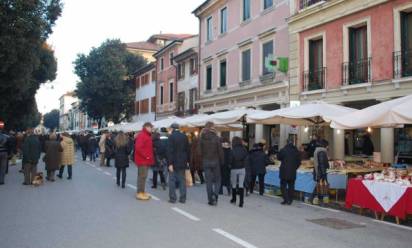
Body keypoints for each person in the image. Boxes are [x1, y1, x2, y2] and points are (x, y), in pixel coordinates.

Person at [199, 121, 223, 206]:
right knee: (218, 180)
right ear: (212, 127)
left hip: (206, 161)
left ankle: (210, 199)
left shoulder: (202, 137)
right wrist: (222, 161)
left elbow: (199, 152)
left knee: (208, 182)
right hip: (215, 161)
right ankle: (215, 195)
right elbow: (220, 151)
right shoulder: (216, 137)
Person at [167, 123, 190, 204]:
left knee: (172, 180)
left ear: (172, 128)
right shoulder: (184, 136)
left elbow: (170, 151)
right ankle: (183, 198)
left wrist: (169, 164)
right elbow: (188, 150)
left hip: (173, 162)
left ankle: (173, 198)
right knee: (182, 180)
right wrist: (188, 161)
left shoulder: (171, 137)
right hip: (183, 162)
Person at [134, 122, 155, 201]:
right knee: (142, 176)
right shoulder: (143, 135)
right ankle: (139, 193)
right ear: (146, 127)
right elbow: (138, 147)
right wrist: (146, 156)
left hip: (145, 160)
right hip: (142, 160)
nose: (152, 129)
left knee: (143, 176)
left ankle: (142, 192)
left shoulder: (146, 135)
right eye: (151, 127)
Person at [277, 139, 301, 205]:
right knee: (291, 186)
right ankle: (290, 200)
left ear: (286, 143)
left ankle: (286, 199)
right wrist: (294, 168)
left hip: (284, 171)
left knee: (283, 186)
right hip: (292, 171)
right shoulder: (296, 151)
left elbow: (278, 157)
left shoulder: (283, 150)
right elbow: (299, 162)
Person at [230, 136, 249, 208]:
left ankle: (234, 199)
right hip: (242, 168)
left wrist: (230, 165)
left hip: (234, 168)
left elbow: (230, 160)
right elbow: (246, 158)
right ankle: (241, 202)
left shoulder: (232, 150)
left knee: (234, 184)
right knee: (241, 185)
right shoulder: (244, 149)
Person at [313, 140, 330, 205]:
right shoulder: (322, 152)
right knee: (321, 185)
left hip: (318, 171)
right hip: (321, 172)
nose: (328, 147)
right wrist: (324, 174)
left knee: (318, 185)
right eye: (328, 145)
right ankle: (321, 198)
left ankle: (316, 199)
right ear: (325, 145)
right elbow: (322, 164)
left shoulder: (318, 150)